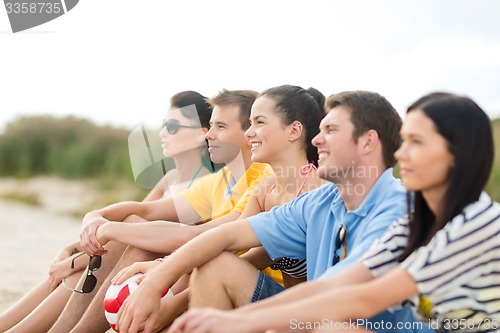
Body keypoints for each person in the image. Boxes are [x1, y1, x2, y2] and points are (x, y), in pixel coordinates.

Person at [168, 92, 499, 333]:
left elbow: (365, 299)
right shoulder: (419, 221)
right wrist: (235, 321)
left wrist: (244, 321)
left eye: (417, 142)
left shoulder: (473, 224)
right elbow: (332, 286)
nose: (401, 152)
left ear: (456, 154)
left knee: (327, 328)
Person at [113, 90, 426, 333]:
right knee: (215, 265)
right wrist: (159, 277)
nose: (317, 140)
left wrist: (246, 321)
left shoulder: (397, 208)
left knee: (332, 326)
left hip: (354, 323)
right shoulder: (322, 202)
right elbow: (226, 235)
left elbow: (340, 294)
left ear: (368, 142)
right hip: (314, 316)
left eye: (329, 130)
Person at [47, 89, 273, 333]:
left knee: (139, 238)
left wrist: (110, 230)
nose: (210, 134)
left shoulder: (265, 180)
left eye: (220, 126)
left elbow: (200, 237)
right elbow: (145, 210)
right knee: (135, 227)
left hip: (241, 288)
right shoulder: (223, 179)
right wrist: (94, 217)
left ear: (248, 133)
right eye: (210, 125)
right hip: (201, 278)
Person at [0, 90, 215, 333]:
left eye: (173, 126)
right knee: (71, 273)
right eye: (164, 124)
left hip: (157, 268)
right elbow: (129, 223)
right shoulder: (170, 179)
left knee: (75, 273)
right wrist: (73, 250)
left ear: (201, 134)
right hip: (123, 256)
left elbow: (139, 232)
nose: (163, 132)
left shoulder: (206, 185)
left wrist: (75, 261)